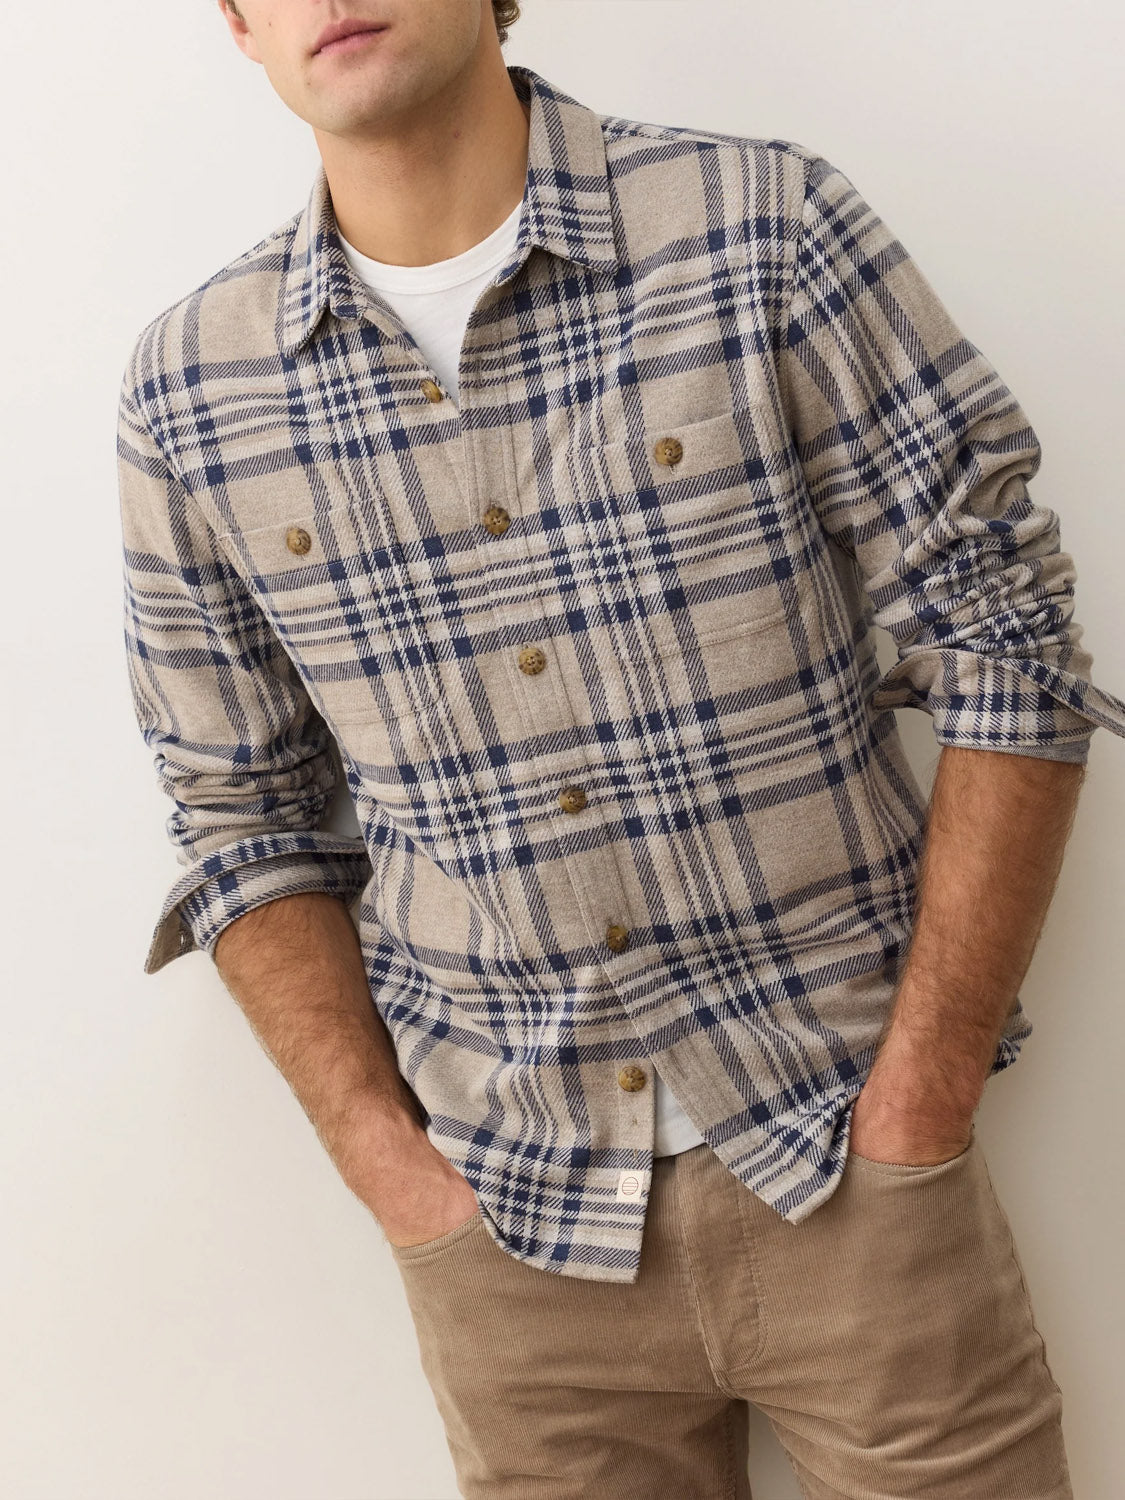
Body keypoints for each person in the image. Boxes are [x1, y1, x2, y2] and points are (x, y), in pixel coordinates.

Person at [115, 3, 1125, 1495]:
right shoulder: (190, 392)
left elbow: (1003, 639)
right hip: (507, 1235)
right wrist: (393, 1174)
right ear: (239, 28)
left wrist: (922, 1094)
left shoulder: (760, 228)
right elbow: (241, 814)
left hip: (853, 1166)